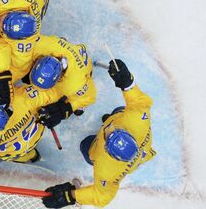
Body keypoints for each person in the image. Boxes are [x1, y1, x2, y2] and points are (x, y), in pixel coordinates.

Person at [42, 59, 156, 208]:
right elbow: (139, 102)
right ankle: (112, 117)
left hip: (106, 151)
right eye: (116, 132)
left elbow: (101, 197)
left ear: (108, 152)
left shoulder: (106, 170)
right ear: (129, 136)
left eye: (108, 137)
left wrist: (71, 196)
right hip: (135, 141)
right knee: (121, 111)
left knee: (86, 147)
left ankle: (108, 123)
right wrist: (127, 82)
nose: (110, 131)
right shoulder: (138, 121)